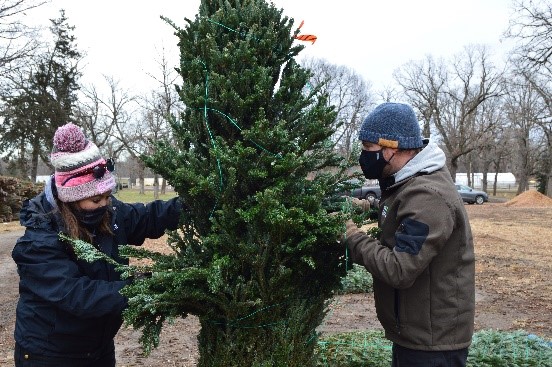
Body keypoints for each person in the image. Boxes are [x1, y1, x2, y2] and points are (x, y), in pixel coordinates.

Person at [12, 123, 183, 367]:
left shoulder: (108, 212)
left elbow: (148, 217)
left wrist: (190, 205)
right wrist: (140, 287)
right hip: (49, 354)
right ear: (71, 199)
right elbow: (78, 295)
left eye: (107, 195)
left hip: (98, 348)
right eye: (96, 199)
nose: (105, 203)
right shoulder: (38, 239)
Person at [343, 102, 475, 367]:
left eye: (368, 149)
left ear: (391, 148)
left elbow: (399, 269)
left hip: (433, 346)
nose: (363, 156)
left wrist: (352, 237)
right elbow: (398, 209)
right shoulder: (411, 182)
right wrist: (363, 208)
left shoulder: (428, 197)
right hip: (417, 334)